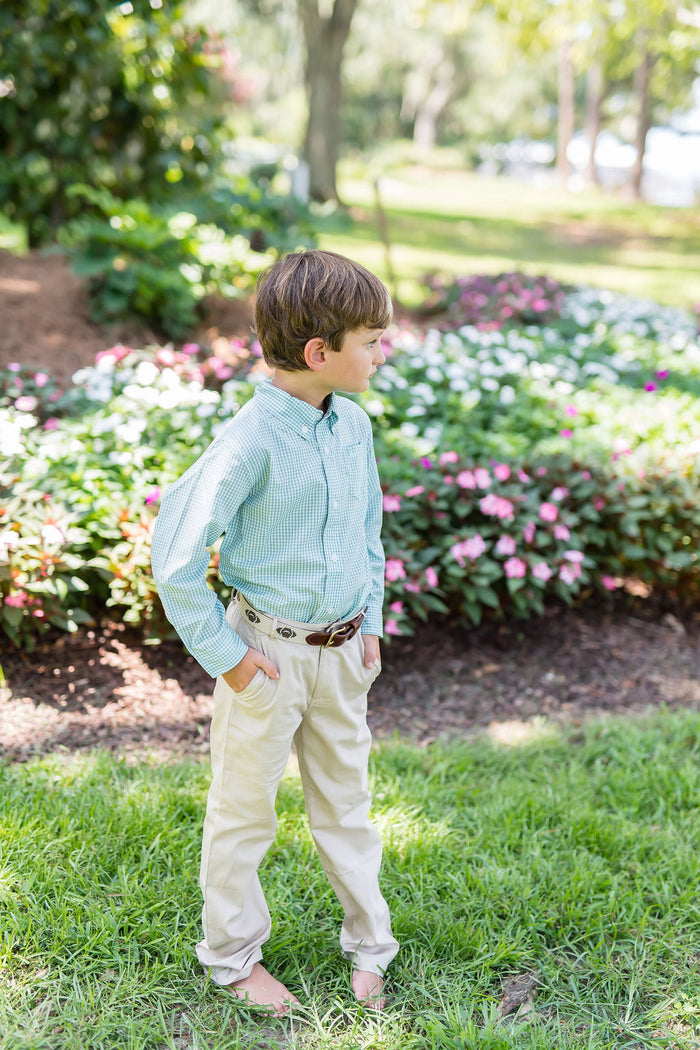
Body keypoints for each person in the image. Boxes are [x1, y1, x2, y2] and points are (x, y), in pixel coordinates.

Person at [150, 249, 399, 1016]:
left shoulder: (351, 424)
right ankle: (230, 958)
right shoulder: (249, 441)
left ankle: (370, 945)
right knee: (244, 813)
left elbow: (367, 532)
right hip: (267, 659)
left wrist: (373, 624)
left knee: (347, 805)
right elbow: (176, 559)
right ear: (321, 353)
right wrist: (232, 660)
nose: (382, 351)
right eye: (372, 339)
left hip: (342, 653)